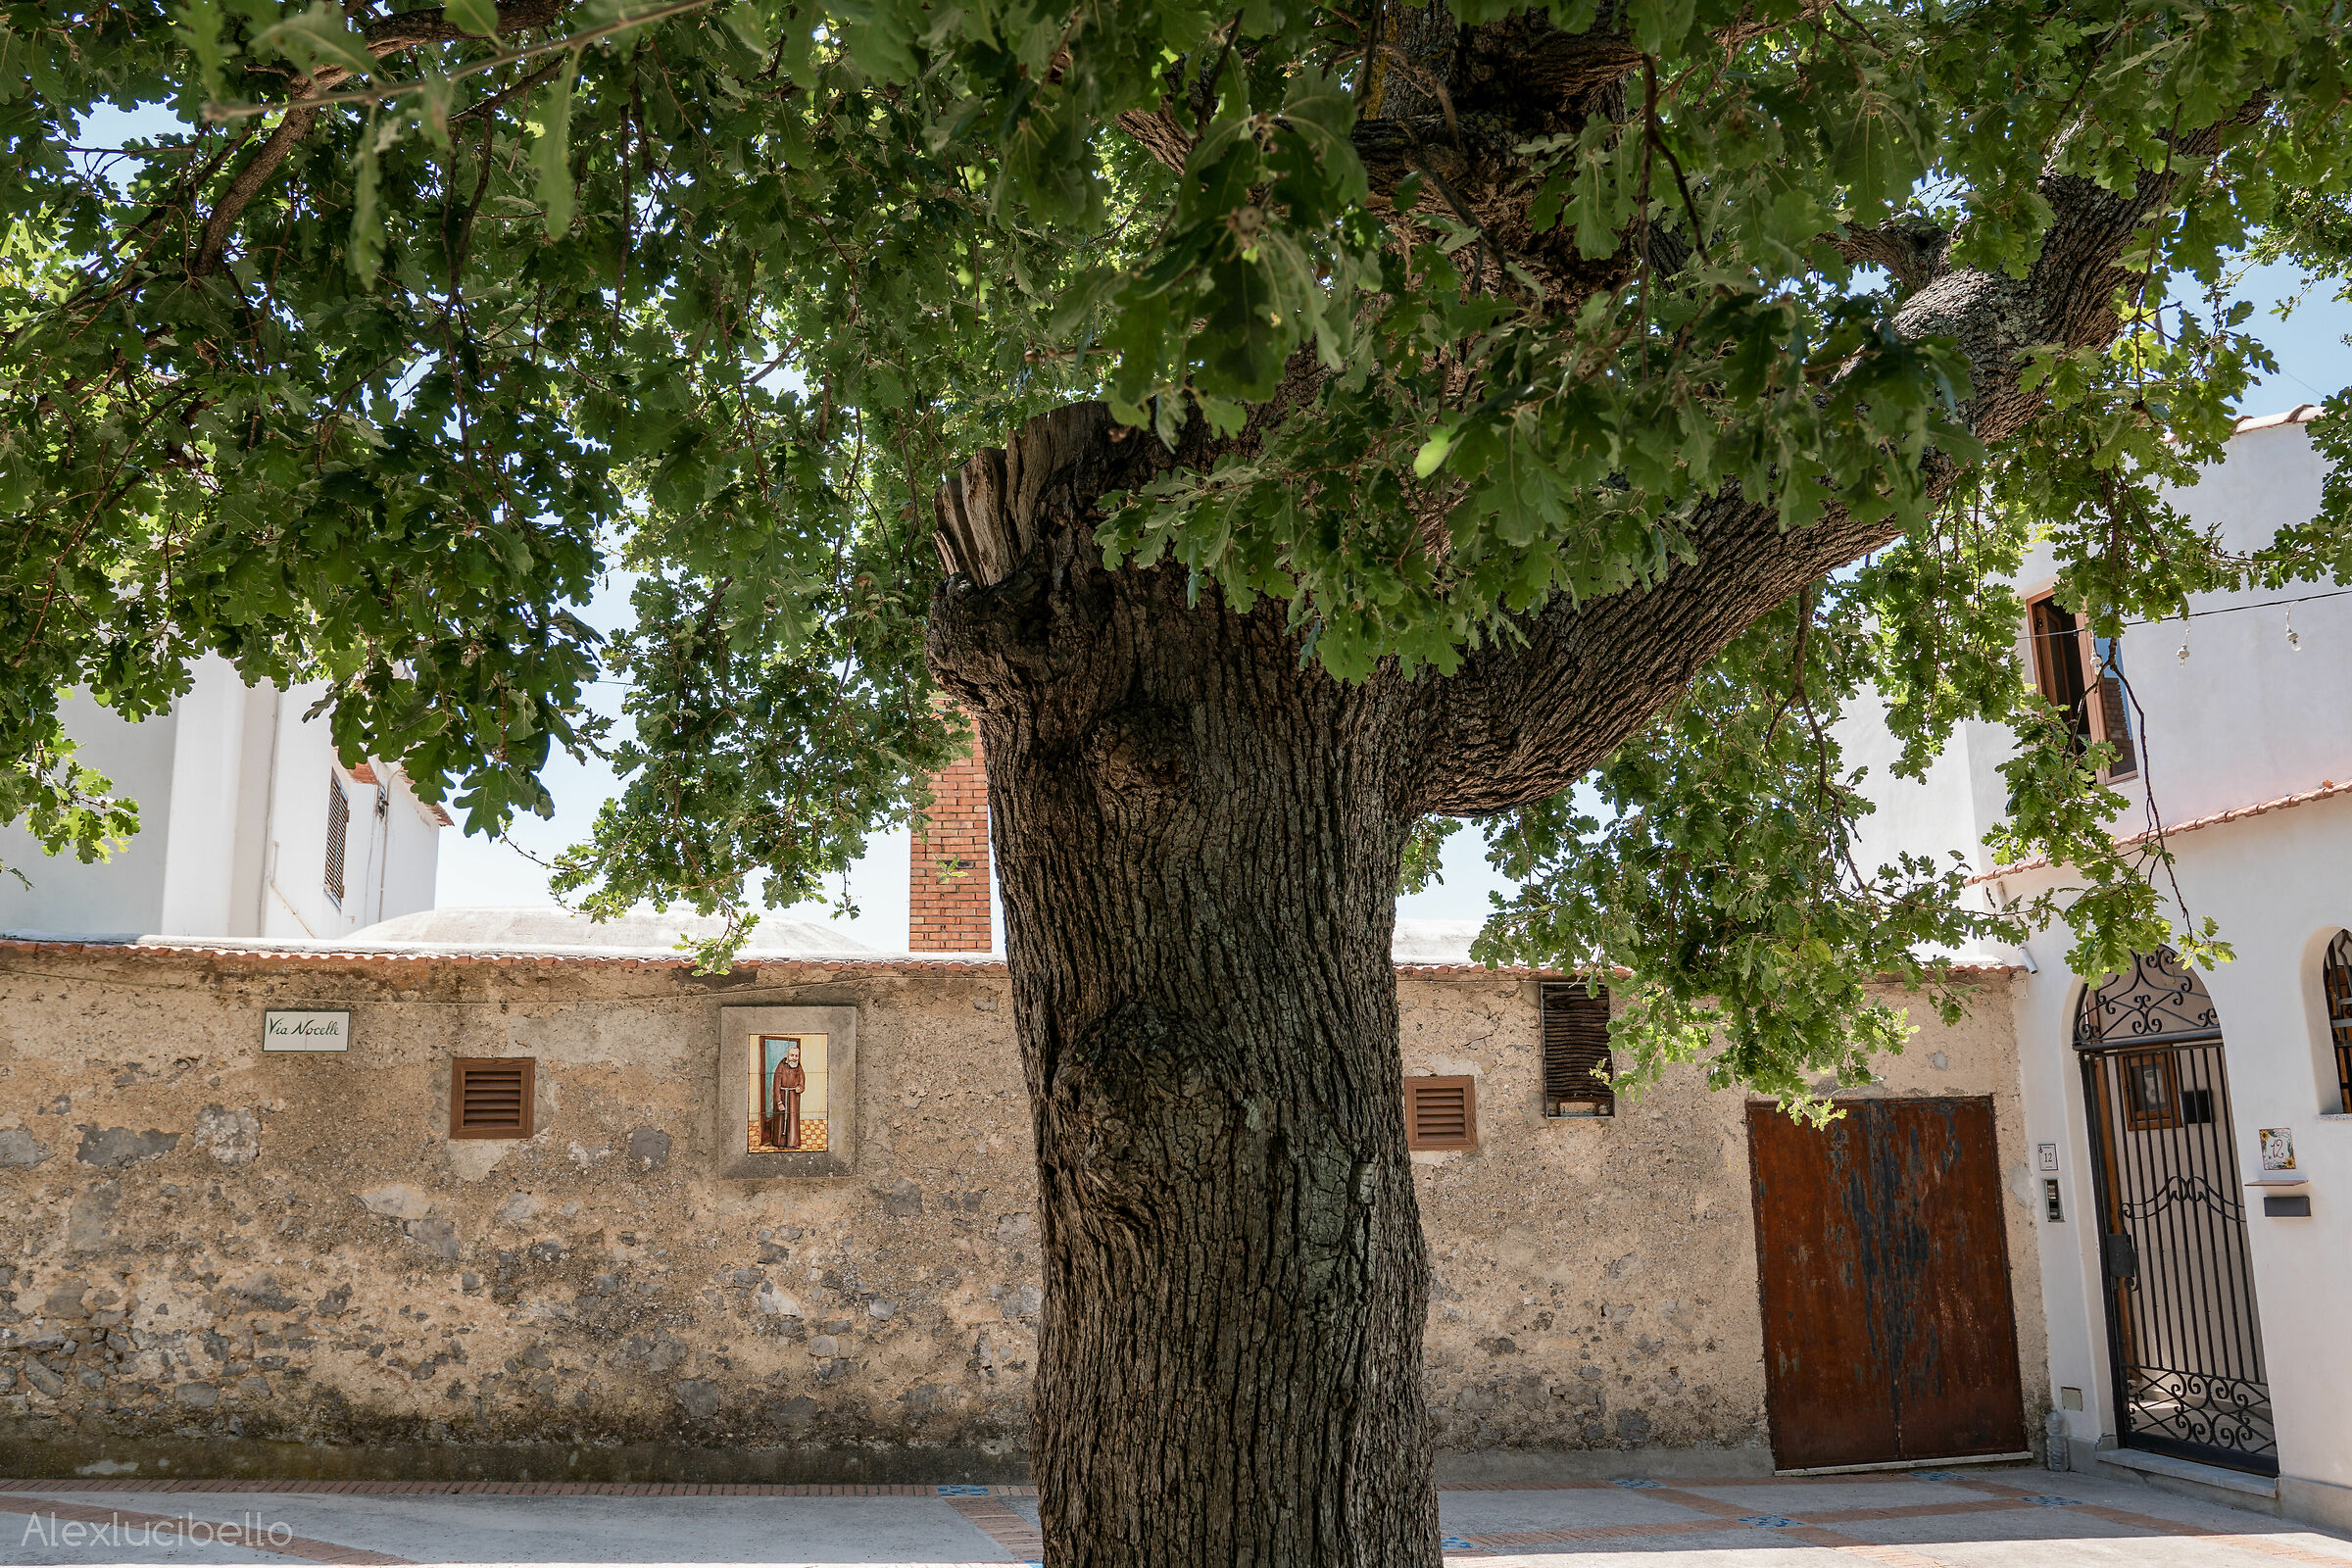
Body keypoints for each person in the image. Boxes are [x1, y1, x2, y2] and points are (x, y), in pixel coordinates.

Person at [769, 1039, 806, 1151]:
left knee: (793, 1120)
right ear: (787, 1055)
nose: (794, 1058)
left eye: (796, 1056)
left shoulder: (799, 1067)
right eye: (792, 1055)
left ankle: (792, 1143)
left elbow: (802, 1080)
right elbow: (776, 1085)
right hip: (782, 1095)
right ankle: (779, 1142)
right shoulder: (781, 1066)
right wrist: (779, 1101)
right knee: (781, 1119)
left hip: (794, 1097)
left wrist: (800, 1087)